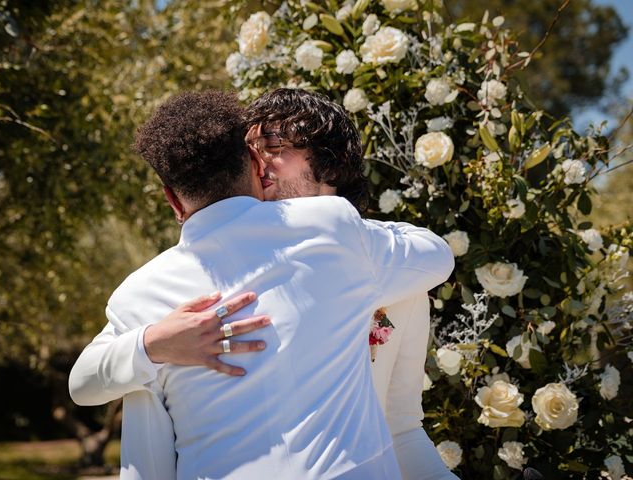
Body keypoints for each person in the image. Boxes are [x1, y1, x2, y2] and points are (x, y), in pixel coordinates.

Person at [69, 89, 455, 479]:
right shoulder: (158, 305)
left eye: (274, 144)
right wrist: (152, 344)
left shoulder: (382, 264)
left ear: (331, 167)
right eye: (253, 147)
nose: (264, 161)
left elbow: (404, 428)